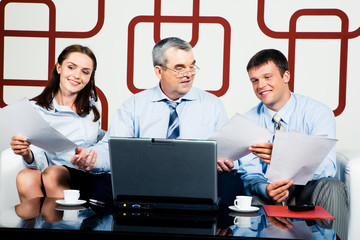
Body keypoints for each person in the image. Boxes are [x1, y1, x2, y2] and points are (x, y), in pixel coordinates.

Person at [74, 37, 236, 173]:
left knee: (230, 185)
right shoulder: (134, 106)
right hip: (145, 183)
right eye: (179, 68)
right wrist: (91, 160)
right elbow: (112, 150)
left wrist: (225, 162)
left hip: (198, 182)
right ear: (159, 71)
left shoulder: (213, 105)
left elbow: (227, 152)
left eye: (191, 66)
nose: (188, 74)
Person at [238, 49, 348, 238]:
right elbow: (250, 174)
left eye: (267, 77)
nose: (260, 85)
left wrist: (284, 157)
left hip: (308, 189)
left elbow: (326, 168)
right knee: (250, 198)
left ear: (286, 76)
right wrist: (266, 189)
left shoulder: (318, 113)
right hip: (268, 192)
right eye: (254, 80)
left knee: (333, 186)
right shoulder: (247, 121)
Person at [10, 44, 110, 202]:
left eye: (85, 72)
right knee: (28, 176)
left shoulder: (92, 107)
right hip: (51, 174)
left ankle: (56, 222)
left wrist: (94, 154)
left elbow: (97, 141)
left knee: (51, 174)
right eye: (71, 67)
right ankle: (36, 225)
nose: (77, 76)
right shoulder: (36, 110)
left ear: (90, 77)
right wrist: (26, 153)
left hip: (86, 175)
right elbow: (38, 160)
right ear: (59, 68)